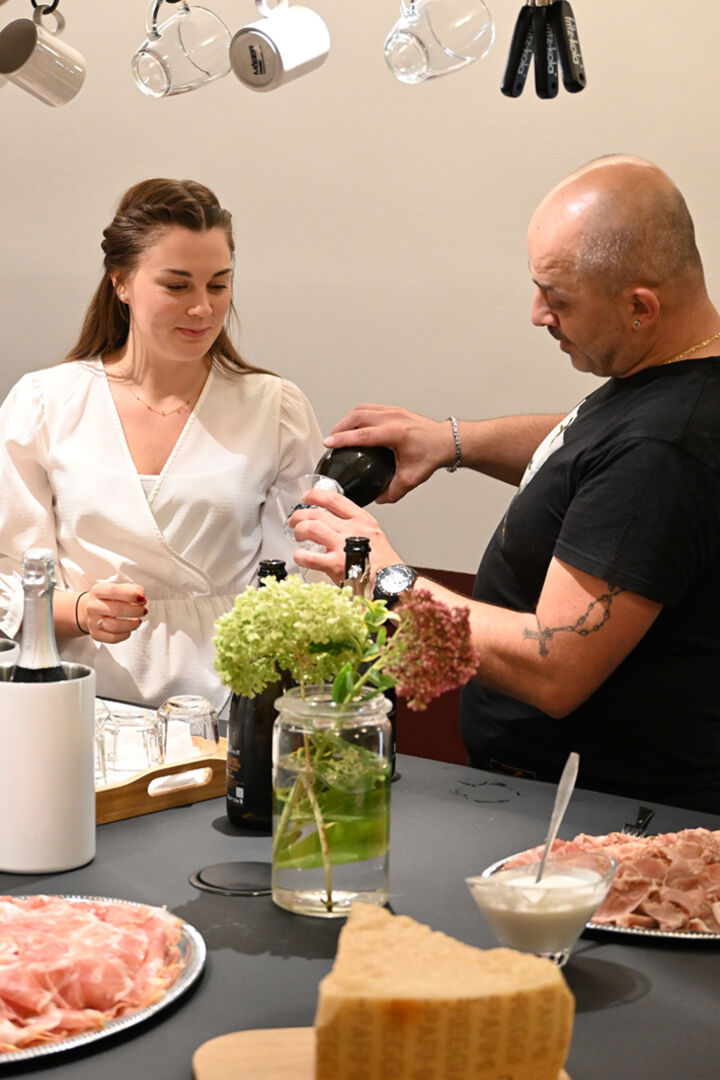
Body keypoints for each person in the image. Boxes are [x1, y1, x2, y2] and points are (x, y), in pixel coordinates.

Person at [289, 155, 720, 813]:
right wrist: (451, 442)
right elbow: (592, 457)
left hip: (592, 817)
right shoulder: (673, 385)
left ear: (640, 307)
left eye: (559, 297)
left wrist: (386, 576)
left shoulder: (666, 444)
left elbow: (555, 667)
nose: (536, 313)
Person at [0, 178, 323, 708]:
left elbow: (302, 578)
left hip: (228, 699)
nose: (202, 309)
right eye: (177, 286)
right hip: (80, 699)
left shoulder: (274, 409)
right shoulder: (44, 404)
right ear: (121, 283)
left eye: (218, 285)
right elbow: (11, 577)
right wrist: (80, 609)